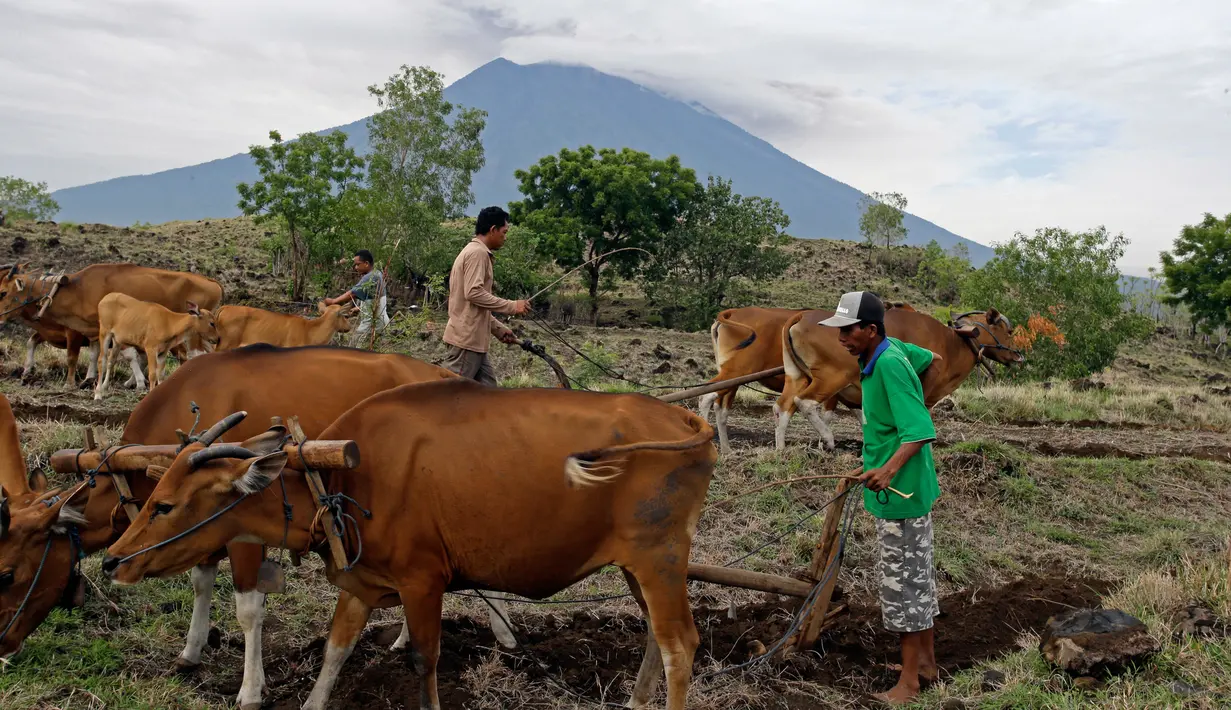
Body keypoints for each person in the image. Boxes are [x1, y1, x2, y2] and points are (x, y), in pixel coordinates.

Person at [820, 291, 941, 706]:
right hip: (903, 489)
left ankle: (909, 684)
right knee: (918, 579)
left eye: (848, 331)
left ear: (871, 330)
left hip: (900, 493)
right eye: (839, 330)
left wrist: (887, 468)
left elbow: (920, 429)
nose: (841, 339)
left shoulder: (888, 364)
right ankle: (925, 663)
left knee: (903, 585)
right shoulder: (891, 351)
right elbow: (930, 358)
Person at [441, 206, 530, 385]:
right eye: (504, 232)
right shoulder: (478, 253)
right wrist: (513, 306)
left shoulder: (475, 251)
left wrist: (498, 329)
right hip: (466, 341)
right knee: (448, 395)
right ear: (492, 230)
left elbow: (473, 306)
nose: (505, 237)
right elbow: (473, 293)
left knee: (488, 394)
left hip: (473, 341)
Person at [323, 249, 389, 346]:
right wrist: (357, 308)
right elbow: (372, 299)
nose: (355, 267)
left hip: (372, 325)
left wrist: (333, 301)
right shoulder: (377, 273)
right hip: (381, 322)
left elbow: (352, 293)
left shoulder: (370, 277)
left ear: (366, 263)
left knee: (354, 347)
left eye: (358, 264)